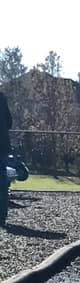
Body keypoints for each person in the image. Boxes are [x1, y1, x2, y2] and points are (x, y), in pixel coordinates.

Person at [0, 91, 12, 228]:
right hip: (2, 145)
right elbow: (9, 122)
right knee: (2, 183)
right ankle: (2, 216)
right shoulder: (2, 98)